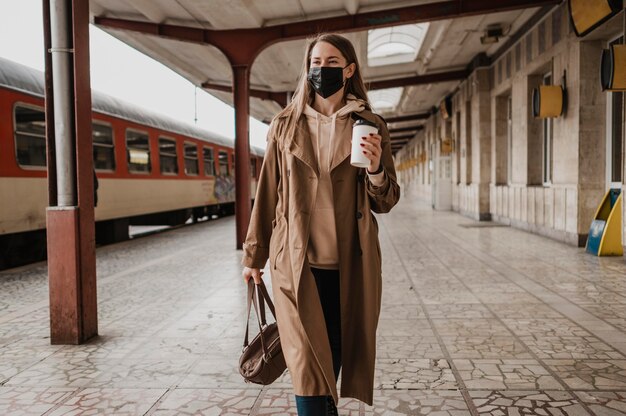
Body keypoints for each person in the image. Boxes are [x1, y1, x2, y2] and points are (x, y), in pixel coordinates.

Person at [241, 33, 400, 416]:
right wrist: (253, 257)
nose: (321, 70)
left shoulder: (369, 124)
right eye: (315, 63)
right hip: (296, 269)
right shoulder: (284, 125)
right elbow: (267, 195)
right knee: (308, 370)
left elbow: (387, 200)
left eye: (332, 63)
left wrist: (377, 169)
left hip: (351, 267)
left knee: (334, 364)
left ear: (349, 70)